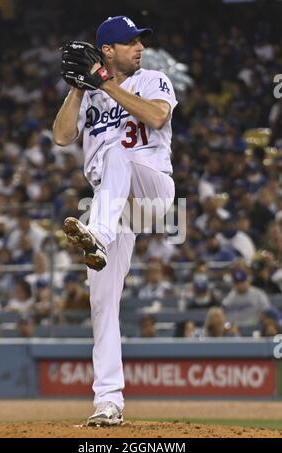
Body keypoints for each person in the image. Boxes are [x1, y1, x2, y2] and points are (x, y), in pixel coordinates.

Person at [53, 16, 177, 426]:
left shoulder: (152, 79)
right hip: (111, 202)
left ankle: (98, 235)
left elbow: (157, 118)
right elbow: (61, 135)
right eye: (130, 42)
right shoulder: (89, 95)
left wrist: (105, 83)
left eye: (140, 40)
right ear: (107, 50)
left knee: (117, 157)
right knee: (102, 302)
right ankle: (108, 402)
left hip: (150, 190)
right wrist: (78, 86)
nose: (139, 47)